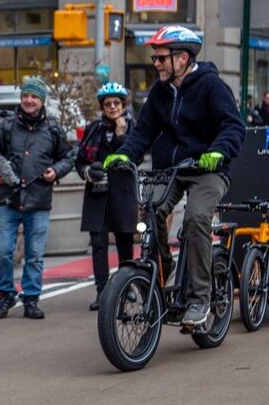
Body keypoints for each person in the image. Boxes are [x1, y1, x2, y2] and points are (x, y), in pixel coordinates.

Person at [104, 25, 245, 329]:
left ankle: (199, 298)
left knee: (195, 219)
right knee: (151, 214)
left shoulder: (212, 87)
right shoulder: (159, 92)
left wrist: (219, 151)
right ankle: (162, 274)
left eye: (161, 58)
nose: (155, 63)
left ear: (182, 58)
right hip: (172, 170)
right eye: (154, 58)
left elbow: (233, 126)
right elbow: (144, 132)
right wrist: (126, 153)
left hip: (208, 170)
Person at [0, 76, 74, 320]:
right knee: (3, 251)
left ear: (42, 100)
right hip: (7, 200)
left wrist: (55, 171)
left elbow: (68, 157)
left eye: (34, 96)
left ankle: (31, 298)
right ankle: (6, 294)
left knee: (34, 255)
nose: (29, 100)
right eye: (26, 95)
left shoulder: (53, 129)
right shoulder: (5, 127)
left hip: (39, 201)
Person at [74, 83, 137, 311]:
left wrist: (120, 136)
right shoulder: (93, 129)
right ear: (102, 106)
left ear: (123, 105)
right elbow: (79, 160)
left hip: (123, 192)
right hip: (97, 194)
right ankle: (102, 291)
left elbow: (133, 157)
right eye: (108, 103)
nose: (112, 107)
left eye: (116, 103)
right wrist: (87, 172)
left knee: (124, 243)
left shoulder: (132, 128)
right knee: (99, 244)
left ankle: (126, 286)